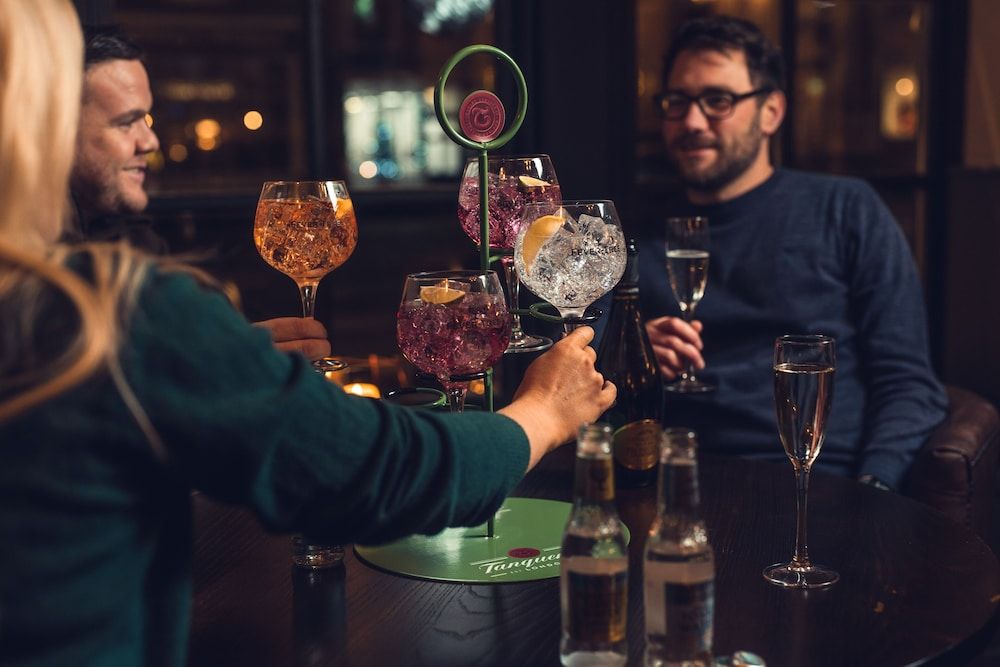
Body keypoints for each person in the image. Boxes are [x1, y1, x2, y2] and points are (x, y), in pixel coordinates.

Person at [0, 2, 616, 664]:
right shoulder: (112, 312)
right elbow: (377, 470)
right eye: (126, 121)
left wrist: (223, 371)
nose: (151, 139)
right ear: (35, 120)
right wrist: (542, 412)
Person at [639, 15, 947, 491]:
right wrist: (633, 353)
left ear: (772, 112)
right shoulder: (629, 231)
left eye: (717, 100)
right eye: (677, 102)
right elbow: (586, 366)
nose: (692, 121)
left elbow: (908, 384)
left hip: (818, 488)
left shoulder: (847, 209)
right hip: (670, 485)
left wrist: (874, 489)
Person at [70, 25, 330, 360]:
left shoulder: (131, 240)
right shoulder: (31, 262)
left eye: (146, 120)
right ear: (57, 127)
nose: (150, 143)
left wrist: (227, 350)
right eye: (126, 122)